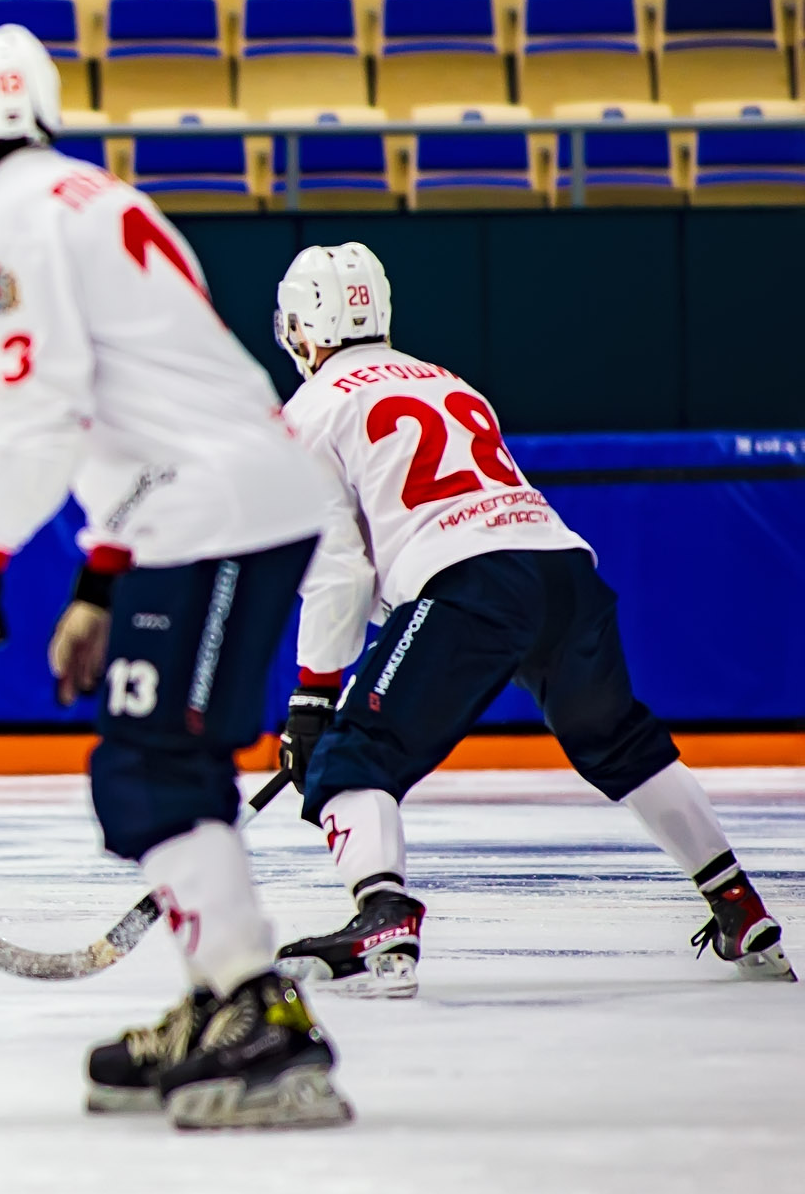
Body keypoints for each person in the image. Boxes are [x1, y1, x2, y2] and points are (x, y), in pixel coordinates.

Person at [0, 27, 355, 1130]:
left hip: (212, 509)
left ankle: (252, 1009)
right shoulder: (100, 196)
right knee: (164, 762)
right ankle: (222, 998)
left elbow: (41, 414)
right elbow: (144, 409)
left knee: (150, 768)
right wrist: (98, 586)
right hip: (218, 499)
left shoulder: (6, 222)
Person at [272, 243, 794, 993]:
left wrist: (314, 697)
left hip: (469, 579)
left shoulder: (310, 410)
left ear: (302, 327)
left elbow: (339, 569)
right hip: (560, 566)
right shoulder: (450, 380)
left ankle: (380, 911)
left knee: (352, 757)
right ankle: (736, 902)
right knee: (622, 742)